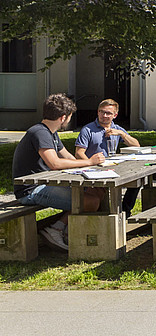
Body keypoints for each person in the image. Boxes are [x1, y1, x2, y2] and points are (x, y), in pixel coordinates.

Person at [12, 93, 106, 251]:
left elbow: (68, 157)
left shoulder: (51, 133)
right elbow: (55, 163)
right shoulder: (39, 132)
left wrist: (91, 167)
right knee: (91, 201)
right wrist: (89, 161)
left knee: (97, 190)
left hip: (45, 184)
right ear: (63, 117)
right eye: (69, 117)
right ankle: (56, 229)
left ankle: (66, 228)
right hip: (31, 190)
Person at [75, 98, 141, 216]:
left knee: (138, 179)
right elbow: (79, 153)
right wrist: (90, 164)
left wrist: (122, 134)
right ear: (98, 112)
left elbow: (136, 145)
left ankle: (125, 210)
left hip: (112, 166)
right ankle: (114, 214)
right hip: (94, 169)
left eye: (108, 113)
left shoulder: (117, 129)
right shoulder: (88, 129)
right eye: (101, 112)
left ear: (115, 115)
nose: (104, 115)